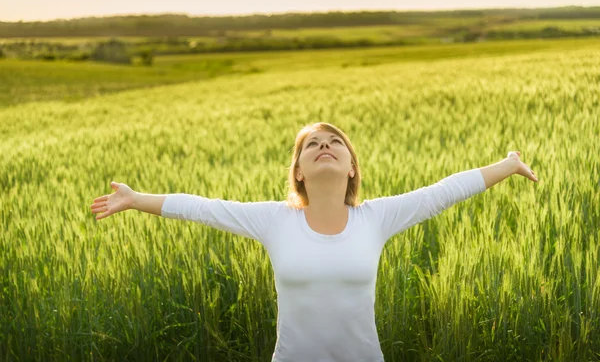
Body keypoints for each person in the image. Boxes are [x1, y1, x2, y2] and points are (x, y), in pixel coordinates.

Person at [90, 122, 539, 362]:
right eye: (312, 145)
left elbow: (443, 192)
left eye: (335, 143)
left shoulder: (376, 218)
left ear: (351, 168)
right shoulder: (275, 220)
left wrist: (507, 164)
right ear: (299, 171)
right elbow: (203, 207)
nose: (325, 146)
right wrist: (134, 200)